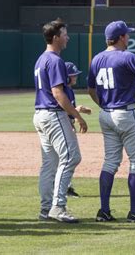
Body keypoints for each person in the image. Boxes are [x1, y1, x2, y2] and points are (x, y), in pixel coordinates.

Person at [87, 20, 135, 222]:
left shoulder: (97, 58)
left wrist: (104, 105)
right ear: (121, 37)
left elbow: (90, 90)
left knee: (110, 162)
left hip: (106, 114)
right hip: (126, 113)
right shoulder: (126, 56)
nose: (128, 38)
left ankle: (104, 211)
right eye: (126, 35)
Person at [33, 19, 87, 223]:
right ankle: (58, 206)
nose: (68, 37)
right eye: (64, 34)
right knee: (72, 157)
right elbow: (58, 93)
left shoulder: (41, 59)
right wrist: (77, 115)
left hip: (40, 114)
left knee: (49, 164)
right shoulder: (55, 60)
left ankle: (46, 209)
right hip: (53, 114)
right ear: (55, 37)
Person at [64, 61, 92, 198]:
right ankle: (65, 188)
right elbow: (63, 112)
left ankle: (66, 187)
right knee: (69, 158)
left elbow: (70, 114)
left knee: (68, 158)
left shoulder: (68, 90)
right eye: (73, 75)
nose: (75, 77)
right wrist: (78, 111)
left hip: (67, 125)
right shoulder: (64, 90)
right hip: (63, 126)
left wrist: (79, 112)